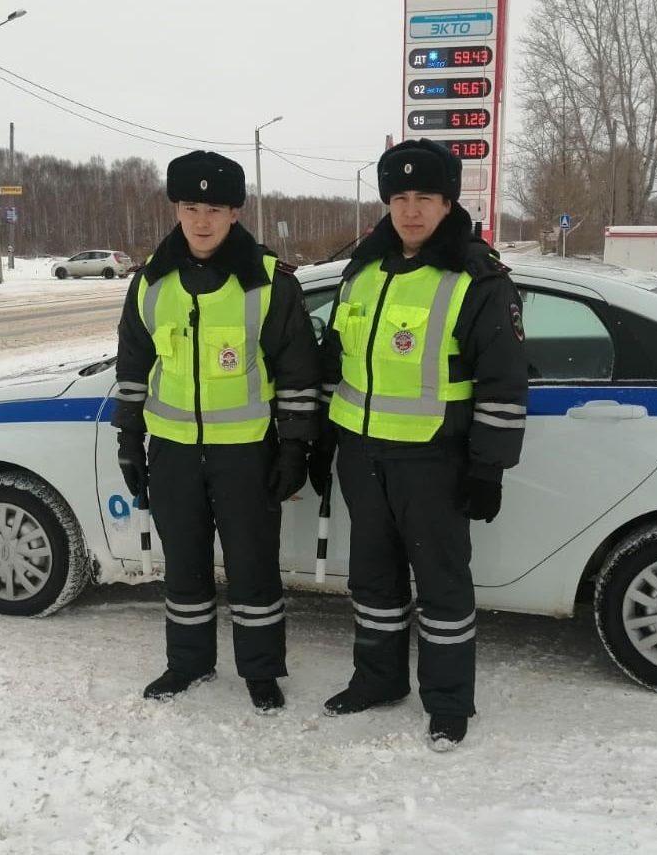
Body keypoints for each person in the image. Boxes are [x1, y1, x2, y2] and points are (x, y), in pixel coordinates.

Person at [310, 139, 527, 750]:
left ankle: (449, 701)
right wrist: (323, 445)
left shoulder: (477, 278)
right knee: (372, 580)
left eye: (424, 197)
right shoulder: (363, 271)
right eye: (399, 197)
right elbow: (337, 363)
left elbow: (504, 382)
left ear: (448, 201)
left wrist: (489, 467)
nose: (410, 210)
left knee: (442, 586)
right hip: (361, 453)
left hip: (435, 458)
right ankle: (378, 680)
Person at [112, 150, 320, 713]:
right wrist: (129, 440)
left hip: (247, 455)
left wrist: (295, 448)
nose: (201, 221)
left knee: (253, 569)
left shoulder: (269, 283)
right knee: (183, 566)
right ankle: (188, 663)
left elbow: (299, 374)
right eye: (190, 207)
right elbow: (133, 367)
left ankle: (259, 670)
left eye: (215, 208)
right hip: (174, 452)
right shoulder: (151, 283)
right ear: (177, 210)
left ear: (235, 213)